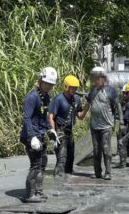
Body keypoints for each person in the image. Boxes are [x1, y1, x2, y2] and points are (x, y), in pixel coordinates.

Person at [20, 67, 57, 203]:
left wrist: (50, 130)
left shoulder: (46, 97)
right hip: (31, 136)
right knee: (35, 165)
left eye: (51, 84)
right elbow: (27, 118)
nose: (48, 86)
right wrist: (32, 137)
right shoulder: (32, 97)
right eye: (46, 83)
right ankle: (30, 195)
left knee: (43, 163)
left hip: (40, 134)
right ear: (40, 80)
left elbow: (44, 117)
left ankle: (39, 192)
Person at [80, 67, 120, 180]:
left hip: (106, 125)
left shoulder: (110, 91)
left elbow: (118, 107)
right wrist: (81, 114)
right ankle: (97, 172)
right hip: (94, 126)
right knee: (96, 149)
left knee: (106, 149)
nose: (96, 80)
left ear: (103, 78)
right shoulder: (92, 90)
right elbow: (88, 104)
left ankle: (108, 172)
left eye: (98, 78)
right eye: (94, 78)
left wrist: (119, 123)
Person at [48, 75, 84, 178]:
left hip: (69, 132)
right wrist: (53, 131)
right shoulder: (59, 99)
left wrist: (88, 104)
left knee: (70, 159)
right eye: (72, 87)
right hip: (60, 131)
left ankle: (67, 180)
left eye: (76, 88)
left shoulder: (76, 100)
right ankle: (58, 180)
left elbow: (80, 116)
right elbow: (50, 117)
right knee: (62, 158)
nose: (74, 90)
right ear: (66, 86)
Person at [118, 83, 129, 159]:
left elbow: (127, 117)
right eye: (123, 93)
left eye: (126, 93)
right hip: (127, 126)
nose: (124, 95)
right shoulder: (124, 102)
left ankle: (125, 159)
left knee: (124, 143)